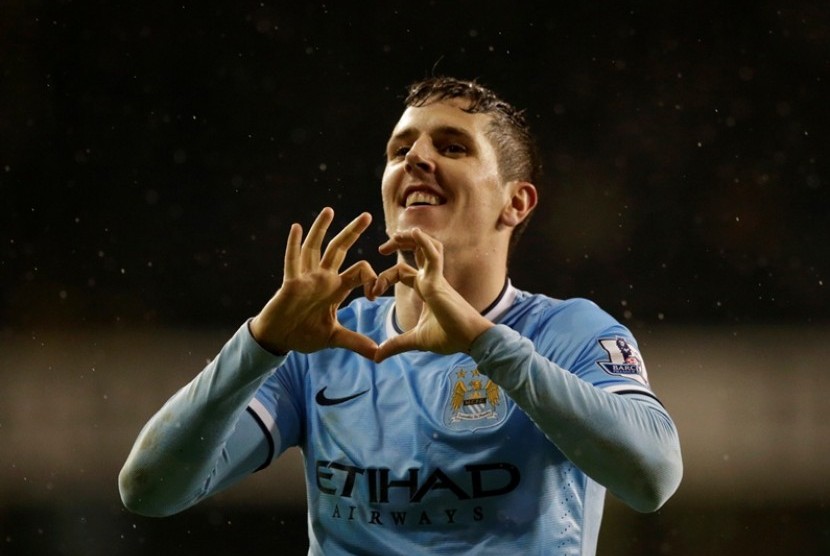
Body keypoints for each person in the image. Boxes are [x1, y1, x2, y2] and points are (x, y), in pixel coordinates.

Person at [119, 76, 683, 555]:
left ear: (516, 202)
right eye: (400, 149)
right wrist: (260, 342)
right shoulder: (325, 344)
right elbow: (147, 491)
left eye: (453, 146)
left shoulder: (567, 334)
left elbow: (652, 479)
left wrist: (486, 343)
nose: (415, 158)